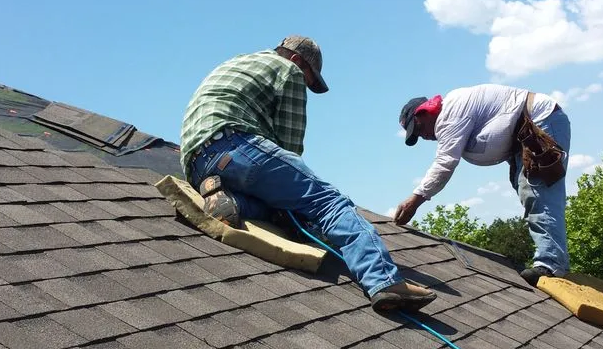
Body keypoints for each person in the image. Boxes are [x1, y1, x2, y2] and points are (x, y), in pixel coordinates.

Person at [180, 36, 436, 314]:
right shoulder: (287, 69)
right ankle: (383, 280)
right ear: (297, 60)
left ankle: (233, 202)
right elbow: (289, 145)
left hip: (197, 162)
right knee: (327, 202)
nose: (305, 85)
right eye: (308, 79)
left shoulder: (237, 61)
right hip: (236, 142)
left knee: (276, 210)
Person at [392, 86, 571, 285]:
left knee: (538, 191)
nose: (423, 136)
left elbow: (445, 162)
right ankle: (551, 258)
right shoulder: (453, 109)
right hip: (527, 131)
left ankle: (551, 265)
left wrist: (415, 200)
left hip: (539, 121)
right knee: (530, 191)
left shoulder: (450, 113)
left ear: (424, 112)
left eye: (418, 128)